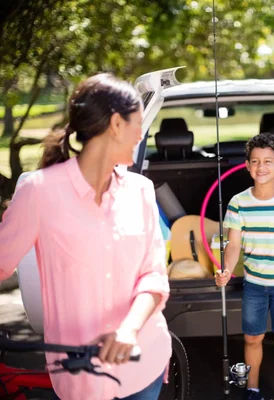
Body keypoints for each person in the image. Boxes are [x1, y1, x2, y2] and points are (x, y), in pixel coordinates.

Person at [0, 73, 172, 400]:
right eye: (138, 123)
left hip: (144, 362)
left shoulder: (141, 190)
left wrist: (128, 329)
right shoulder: (38, 193)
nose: (142, 134)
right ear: (116, 125)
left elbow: (154, 275)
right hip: (81, 377)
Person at [215, 133, 274, 400]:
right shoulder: (238, 202)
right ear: (247, 166)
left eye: (268, 161)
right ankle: (253, 390)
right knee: (252, 339)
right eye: (255, 161)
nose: (261, 167)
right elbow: (233, 246)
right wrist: (227, 270)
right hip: (254, 284)